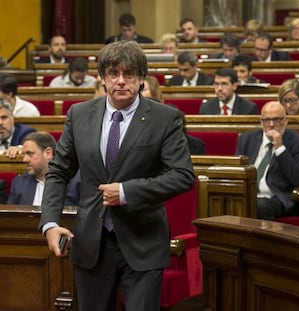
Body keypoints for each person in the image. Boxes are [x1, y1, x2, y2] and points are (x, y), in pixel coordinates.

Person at [38, 40, 195, 311]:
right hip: (91, 244)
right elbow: (59, 171)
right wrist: (50, 223)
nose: (121, 81)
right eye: (113, 74)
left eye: (129, 74)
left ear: (142, 79)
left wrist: (126, 192)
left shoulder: (165, 118)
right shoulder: (79, 114)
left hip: (143, 242)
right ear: (102, 78)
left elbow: (182, 175)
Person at [236, 101, 299, 220]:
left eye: (276, 120)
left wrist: (280, 148)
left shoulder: (298, 142)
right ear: (261, 121)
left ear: (285, 120)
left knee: (259, 205)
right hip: (247, 194)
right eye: (266, 120)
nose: (271, 124)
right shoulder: (246, 139)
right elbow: (237, 171)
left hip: (276, 197)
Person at [7, 132, 80, 206]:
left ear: (48, 153)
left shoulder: (73, 182)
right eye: (24, 154)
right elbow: (10, 216)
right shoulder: (19, 183)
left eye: (30, 154)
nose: (24, 160)